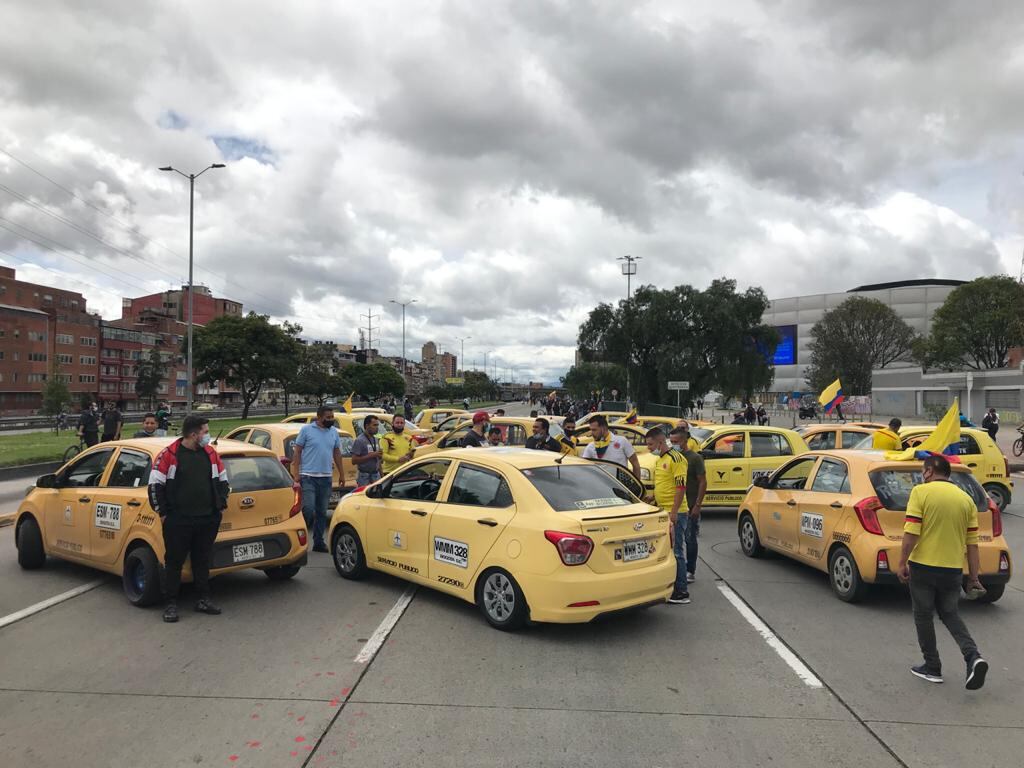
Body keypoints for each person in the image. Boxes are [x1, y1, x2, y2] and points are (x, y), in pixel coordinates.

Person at [897, 454, 989, 689]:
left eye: (923, 471)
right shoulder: (965, 499)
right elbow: (972, 545)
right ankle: (973, 656)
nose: (922, 475)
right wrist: (974, 578)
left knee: (923, 615)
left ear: (929, 471)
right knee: (950, 614)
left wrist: (901, 562)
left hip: (923, 568)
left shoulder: (920, 493)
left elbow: (911, 534)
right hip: (952, 570)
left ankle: (932, 667)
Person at [148, 415, 229, 623]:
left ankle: (203, 599)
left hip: (207, 519)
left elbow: (223, 480)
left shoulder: (211, 453)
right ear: (193, 434)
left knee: (202, 560)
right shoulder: (169, 455)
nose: (207, 436)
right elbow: (155, 486)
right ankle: (171, 604)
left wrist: (219, 507)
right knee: (174, 562)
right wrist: (164, 514)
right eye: (205, 432)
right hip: (178, 521)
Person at [291, 405, 346, 553]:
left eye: (332, 417)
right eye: (328, 417)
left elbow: (337, 453)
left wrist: (341, 474)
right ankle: (298, 538)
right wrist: (296, 473)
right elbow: (297, 452)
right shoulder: (306, 430)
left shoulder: (333, 432)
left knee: (322, 512)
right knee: (308, 509)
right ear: (319, 417)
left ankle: (318, 542)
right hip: (308, 477)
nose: (331, 420)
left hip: (326, 478)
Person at [645, 428, 690, 605]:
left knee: (677, 551)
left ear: (660, 443)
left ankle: (682, 591)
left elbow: (680, 487)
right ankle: (671, 585)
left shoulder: (676, 459)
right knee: (667, 550)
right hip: (662, 510)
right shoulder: (660, 459)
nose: (649, 448)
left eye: (650, 444)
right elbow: (665, 483)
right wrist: (654, 497)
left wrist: (674, 512)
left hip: (675, 511)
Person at [671, 425, 706, 584]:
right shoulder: (671, 457)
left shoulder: (695, 458)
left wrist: (698, 505)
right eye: (671, 441)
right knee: (676, 542)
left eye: (676, 441)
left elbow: (702, 482)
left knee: (690, 540)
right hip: (676, 507)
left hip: (691, 505)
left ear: (685, 440)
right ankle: (678, 570)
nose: (673, 444)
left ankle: (690, 570)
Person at [581, 415, 642, 480]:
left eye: (594, 430)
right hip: (601, 486)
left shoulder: (622, 441)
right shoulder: (590, 447)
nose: (592, 433)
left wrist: (637, 486)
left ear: (603, 428)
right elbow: (584, 468)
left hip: (621, 486)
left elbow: (635, 464)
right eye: (591, 430)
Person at [351, 415, 383, 486]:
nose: (377, 427)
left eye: (377, 425)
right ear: (367, 425)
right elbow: (354, 460)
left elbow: (378, 460)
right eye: (374, 425)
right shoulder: (359, 440)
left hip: (376, 475)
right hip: (364, 476)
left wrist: (382, 476)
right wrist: (371, 455)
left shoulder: (376, 439)